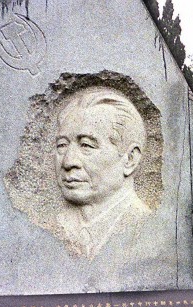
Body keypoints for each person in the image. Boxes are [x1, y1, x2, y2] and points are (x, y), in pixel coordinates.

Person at [54, 87, 151, 257]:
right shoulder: (56, 225)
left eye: (86, 145)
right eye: (62, 145)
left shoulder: (150, 226)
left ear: (129, 159)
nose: (68, 162)